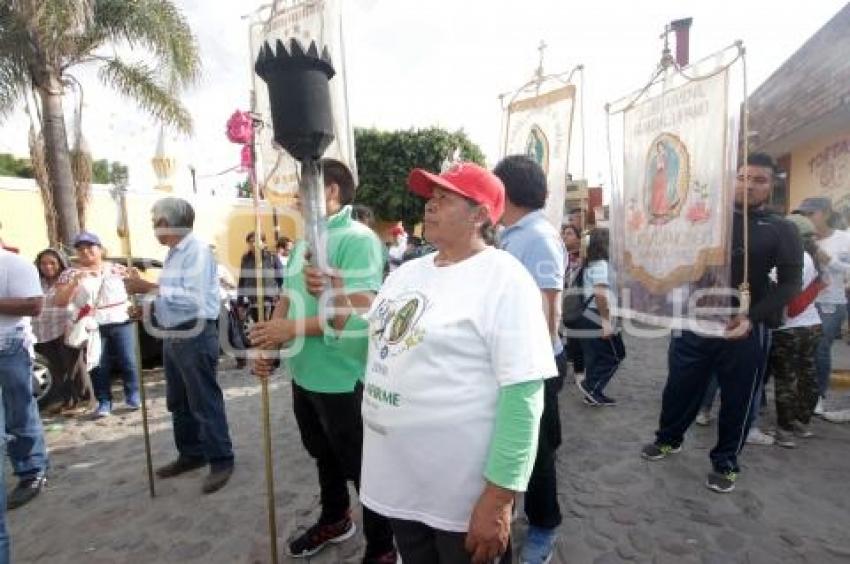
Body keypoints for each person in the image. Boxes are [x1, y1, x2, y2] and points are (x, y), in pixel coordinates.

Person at [353, 162, 555, 564]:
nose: (431, 205)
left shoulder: (505, 279)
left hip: (460, 498)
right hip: (400, 482)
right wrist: (286, 338)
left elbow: (524, 395)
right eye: (431, 197)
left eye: (445, 198)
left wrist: (499, 499)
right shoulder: (405, 273)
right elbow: (375, 344)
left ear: (480, 215)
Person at [249, 159, 397, 563]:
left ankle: (384, 546)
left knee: (362, 467)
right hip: (306, 373)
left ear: (330, 191)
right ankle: (336, 518)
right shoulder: (303, 241)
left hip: (343, 375)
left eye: (303, 189)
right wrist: (270, 344)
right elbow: (285, 298)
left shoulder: (358, 237)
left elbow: (362, 306)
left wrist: (289, 330)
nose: (296, 196)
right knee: (323, 454)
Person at [641, 153, 803, 494]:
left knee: (739, 399)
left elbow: (790, 284)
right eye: (742, 177)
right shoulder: (705, 219)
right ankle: (669, 438)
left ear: (771, 185)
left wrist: (751, 318)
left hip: (743, 327)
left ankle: (726, 462)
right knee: (680, 386)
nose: (748, 185)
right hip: (694, 321)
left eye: (759, 180)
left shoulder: (782, 229)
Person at [124, 197, 234, 494]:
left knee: (203, 399)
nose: (152, 228)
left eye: (154, 222)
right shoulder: (175, 254)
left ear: (166, 223)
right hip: (174, 333)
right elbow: (171, 299)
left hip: (195, 334)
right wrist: (147, 307)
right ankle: (191, 452)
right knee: (179, 400)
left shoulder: (196, 251)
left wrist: (146, 287)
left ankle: (221, 458)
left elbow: (191, 298)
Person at [494, 155, 565, 564]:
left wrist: (529, 364)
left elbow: (547, 311)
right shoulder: (513, 233)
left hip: (534, 365)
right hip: (514, 361)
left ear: (507, 192)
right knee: (521, 446)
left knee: (538, 454)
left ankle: (544, 526)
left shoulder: (537, 236)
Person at [53, 232, 140, 418]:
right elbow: (59, 301)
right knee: (98, 364)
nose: (85, 251)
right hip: (93, 324)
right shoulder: (70, 273)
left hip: (121, 320)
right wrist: (75, 282)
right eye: (80, 248)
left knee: (129, 360)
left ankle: (132, 394)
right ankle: (104, 401)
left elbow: (133, 287)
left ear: (100, 249)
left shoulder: (117, 268)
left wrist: (135, 278)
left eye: (90, 246)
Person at [0, 240, 49, 510]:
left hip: (9, 346)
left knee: (19, 411)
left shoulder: (14, 264)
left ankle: (31, 471)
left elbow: (34, 305)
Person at [769, 214, 823, 447]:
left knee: (786, 378)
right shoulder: (810, 257)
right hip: (811, 323)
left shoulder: (787, 257)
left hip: (787, 327)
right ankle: (802, 422)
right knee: (807, 373)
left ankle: (785, 430)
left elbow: (772, 288)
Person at [796, 197, 850, 411]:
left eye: (811, 214)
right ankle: (799, 392)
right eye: (803, 215)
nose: (807, 219)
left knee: (820, 348)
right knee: (800, 350)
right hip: (800, 303)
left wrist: (828, 259)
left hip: (830, 303)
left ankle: (818, 396)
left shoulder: (844, 239)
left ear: (826, 213)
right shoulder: (798, 237)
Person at [574, 228, 625, 406]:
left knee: (599, 355)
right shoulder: (601, 264)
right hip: (596, 315)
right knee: (615, 355)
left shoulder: (590, 263)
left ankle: (593, 392)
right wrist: (606, 323)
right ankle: (591, 387)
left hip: (587, 315)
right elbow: (600, 294)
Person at [237, 231, 282, 324]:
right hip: (253, 301)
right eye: (250, 241)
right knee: (258, 330)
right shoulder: (245, 259)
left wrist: (278, 295)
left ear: (263, 243)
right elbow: (242, 281)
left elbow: (282, 278)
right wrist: (240, 303)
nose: (253, 244)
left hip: (270, 301)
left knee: (269, 330)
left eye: (256, 241)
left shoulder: (272, 258)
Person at [561, 223, 585, 381]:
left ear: (578, 238)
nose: (564, 236)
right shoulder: (560, 256)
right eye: (564, 233)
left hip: (577, 305)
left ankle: (579, 372)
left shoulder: (585, 258)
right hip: (561, 302)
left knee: (577, 339)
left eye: (569, 233)